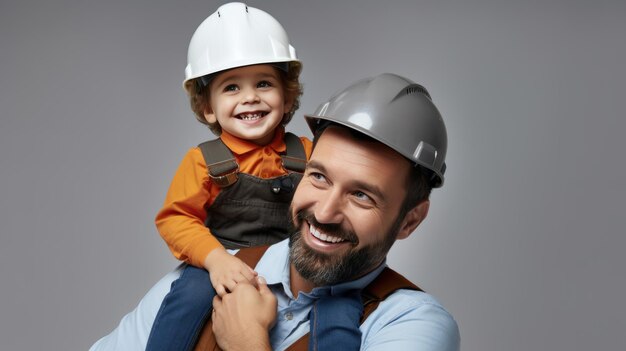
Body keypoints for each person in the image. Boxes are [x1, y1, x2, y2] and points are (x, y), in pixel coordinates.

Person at [90, 73, 460, 351]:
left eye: (362, 195)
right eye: (318, 177)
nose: (326, 212)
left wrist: (247, 342)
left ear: (410, 219)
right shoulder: (192, 286)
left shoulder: (412, 324)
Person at [144, 3, 363, 351]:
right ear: (208, 107)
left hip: (296, 261)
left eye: (264, 83)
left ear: (287, 95)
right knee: (188, 298)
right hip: (226, 258)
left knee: (342, 302)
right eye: (232, 88)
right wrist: (215, 260)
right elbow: (176, 219)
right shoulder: (204, 160)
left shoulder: (308, 151)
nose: (250, 97)